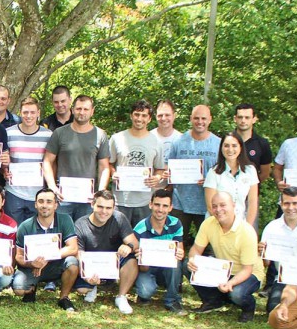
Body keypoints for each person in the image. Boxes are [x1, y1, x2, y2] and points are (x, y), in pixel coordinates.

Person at [188, 191, 264, 323]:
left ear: (233, 205)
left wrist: (230, 283)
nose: (218, 210)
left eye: (223, 205)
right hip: (223, 270)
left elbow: (247, 269)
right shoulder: (208, 223)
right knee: (186, 266)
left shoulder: (246, 231)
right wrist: (192, 259)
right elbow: (195, 249)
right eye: (214, 206)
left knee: (237, 294)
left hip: (249, 273)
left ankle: (248, 307)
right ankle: (214, 301)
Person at [11, 187, 81, 311]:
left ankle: (64, 298)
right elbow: (19, 256)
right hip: (33, 268)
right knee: (19, 289)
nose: (45, 205)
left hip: (56, 265)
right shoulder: (25, 226)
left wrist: (47, 257)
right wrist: (32, 263)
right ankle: (31, 289)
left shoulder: (65, 220)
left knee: (72, 263)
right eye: (41, 201)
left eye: (49, 202)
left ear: (56, 205)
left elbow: (73, 248)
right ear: (35, 205)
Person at [42, 95, 110, 220]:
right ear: (72, 110)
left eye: (85, 109)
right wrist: (52, 186)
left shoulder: (100, 135)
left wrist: (100, 193)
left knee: (85, 235)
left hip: (88, 198)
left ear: (92, 111)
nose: (82, 112)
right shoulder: (59, 133)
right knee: (62, 233)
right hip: (63, 197)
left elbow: (104, 167)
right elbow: (47, 162)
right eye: (78, 109)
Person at [74, 190, 140, 313]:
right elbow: (79, 254)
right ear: (92, 204)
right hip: (91, 263)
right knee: (82, 290)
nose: (104, 211)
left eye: (108, 208)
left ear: (113, 208)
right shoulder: (80, 224)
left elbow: (135, 243)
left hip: (113, 262)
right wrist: (87, 275)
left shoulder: (119, 218)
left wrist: (129, 246)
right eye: (100, 206)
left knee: (132, 260)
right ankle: (93, 285)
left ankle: (121, 297)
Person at [165, 105, 220, 247]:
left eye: (203, 118)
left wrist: (210, 180)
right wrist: (168, 175)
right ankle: (177, 269)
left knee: (209, 245)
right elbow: (168, 166)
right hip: (180, 203)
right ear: (190, 119)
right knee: (175, 244)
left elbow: (224, 173)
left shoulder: (218, 144)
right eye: (196, 118)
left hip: (208, 204)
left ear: (210, 120)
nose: (200, 121)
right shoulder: (179, 141)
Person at [108, 99, 167, 226]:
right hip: (120, 201)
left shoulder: (156, 142)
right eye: (136, 114)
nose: (140, 119)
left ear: (150, 119)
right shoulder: (117, 139)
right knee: (117, 240)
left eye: (144, 115)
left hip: (145, 202)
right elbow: (108, 163)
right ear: (131, 115)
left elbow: (160, 169)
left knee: (142, 240)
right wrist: (113, 174)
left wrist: (157, 178)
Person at [260, 187, 297, 314]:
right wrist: (262, 253)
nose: (290, 207)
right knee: (273, 310)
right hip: (284, 278)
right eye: (286, 203)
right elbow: (266, 264)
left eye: (295, 203)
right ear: (281, 204)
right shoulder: (272, 227)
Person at [133, 189, 186, 314]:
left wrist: (180, 253)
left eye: (165, 206)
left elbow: (180, 248)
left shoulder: (176, 224)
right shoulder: (140, 228)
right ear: (150, 204)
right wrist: (142, 258)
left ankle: (172, 300)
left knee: (176, 260)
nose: (160, 209)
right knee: (145, 292)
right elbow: (142, 268)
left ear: (171, 208)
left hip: (167, 267)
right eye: (157, 204)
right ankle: (143, 293)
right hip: (148, 269)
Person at [4, 97, 52, 225]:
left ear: (38, 113)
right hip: (14, 193)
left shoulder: (48, 135)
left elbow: (52, 163)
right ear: (20, 113)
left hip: (38, 195)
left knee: (33, 235)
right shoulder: (8, 133)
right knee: (13, 232)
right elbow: (3, 160)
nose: (29, 116)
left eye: (32, 112)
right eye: (25, 112)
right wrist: (4, 171)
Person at [203, 131, 259, 227]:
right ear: (221, 148)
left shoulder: (250, 171)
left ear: (240, 147)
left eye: (234, 146)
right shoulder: (213, 172)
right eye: (226, 146)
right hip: (218, 225)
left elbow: (252, 202)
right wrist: (227, 228)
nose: (230, 149)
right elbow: (210, 206)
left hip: (241, 225)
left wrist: (247, 228)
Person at [232, 103, 273, 184]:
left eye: (247, 117)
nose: (243, 121)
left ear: (254, 119)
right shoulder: (226, 141)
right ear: (235, 118)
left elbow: (265, 173)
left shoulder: (262, 144)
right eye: (240, 117)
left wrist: (251, 186)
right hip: (226, 192)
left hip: (251, 193)